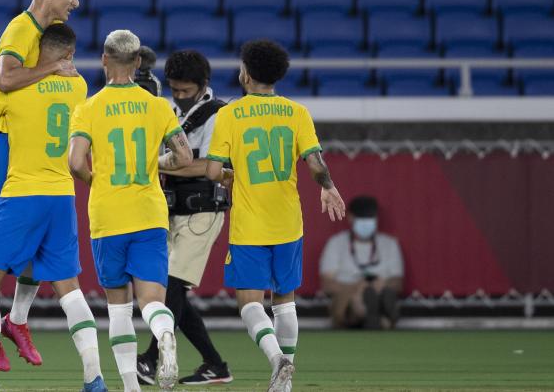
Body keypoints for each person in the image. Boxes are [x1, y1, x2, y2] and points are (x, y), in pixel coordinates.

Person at [0, 24, 106, 392]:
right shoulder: (80, 87)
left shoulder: (13, 90)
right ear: (69, 55)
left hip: (22, 192)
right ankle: (95, 381)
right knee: (69, 288)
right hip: (62, 196)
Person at [205, 40, 346, 392]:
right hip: (287, 222)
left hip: (250, 225)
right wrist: (328, 186)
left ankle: (276, 360)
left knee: (249, 303)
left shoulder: (229, 114)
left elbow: (211, 171)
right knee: (285, 300)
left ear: (246, 74)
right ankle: (283, 384)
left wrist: (230, 176)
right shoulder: (296, 112)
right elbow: (314, 161)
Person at [68, 29, 193, 392]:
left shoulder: (88, 108)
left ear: (104, 60)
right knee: (152, 300)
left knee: (118, 308)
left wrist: (96, 180)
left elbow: (75, 162)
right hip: (149, 214)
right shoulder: (159, 106)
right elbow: (185, 157)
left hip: (109, 215)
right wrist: (156, 163)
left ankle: (130, 387)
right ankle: (165, 332)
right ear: (138, 62)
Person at [0, 0, 80, 370]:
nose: (76, 2)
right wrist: (53, 69)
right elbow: (6, 80)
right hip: (1, 140)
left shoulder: (42, 36)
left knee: (36, 238)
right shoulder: (21, 29)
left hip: (25, 141)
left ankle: (16, 321)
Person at [136, 50, 233, 386]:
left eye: (185, 90)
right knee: (175, 291)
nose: (178, 96)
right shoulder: (171, 110)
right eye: (174, 89)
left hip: (205, 208)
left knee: (173, 284)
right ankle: (215, 365)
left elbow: (208, 167)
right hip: (175, 208)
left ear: (202, 85)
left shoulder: (218, 115)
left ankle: (149, 358)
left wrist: (157, 162)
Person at [319, 195, 404, 330]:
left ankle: (375, 310)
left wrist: (381, 285)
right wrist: (358, 288)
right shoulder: (336, 243)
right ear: (351, 218)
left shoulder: (390, 244)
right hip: (348, 294)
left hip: (380, 291)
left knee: (385, 293)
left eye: (370, 218)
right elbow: (328, 285)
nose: (366, 222)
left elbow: (398, 283)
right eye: (362, 218)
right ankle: (375, 315)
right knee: (354, 300)